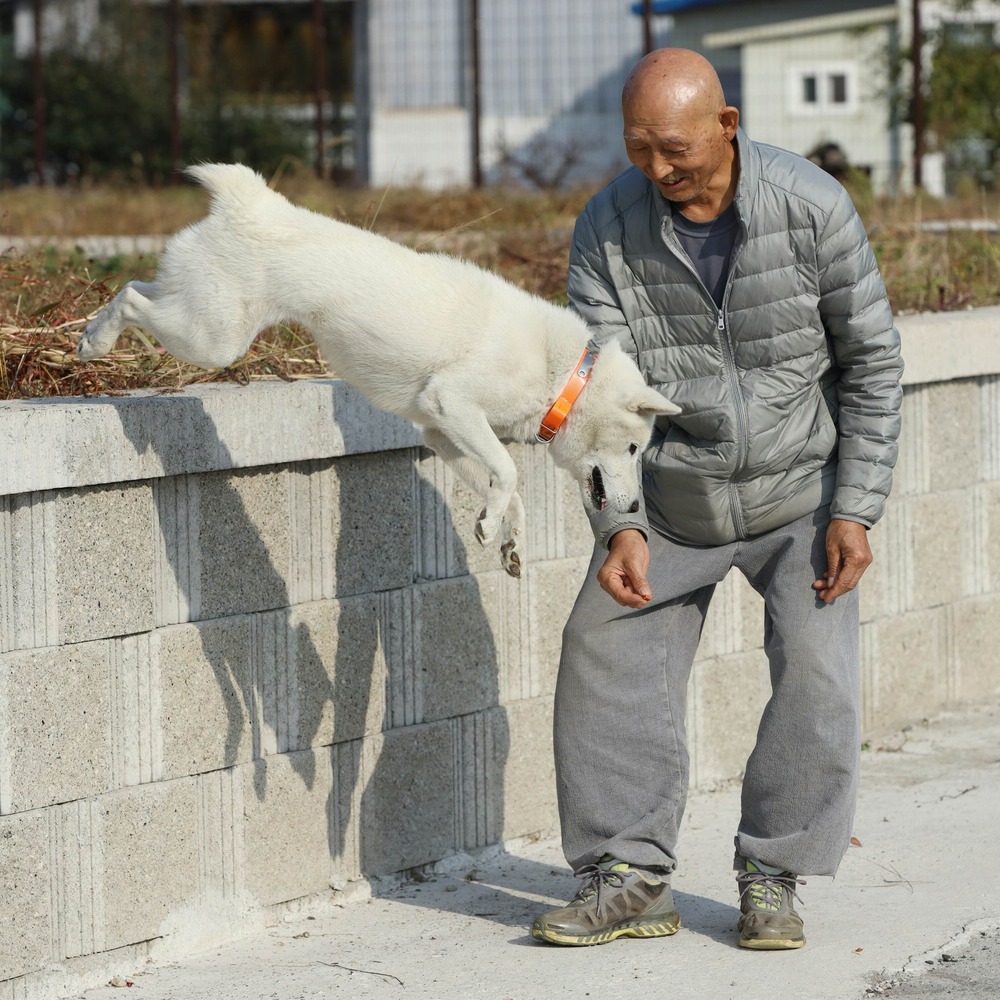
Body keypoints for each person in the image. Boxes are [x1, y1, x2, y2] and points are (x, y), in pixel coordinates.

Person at [531, 48, 903, 951]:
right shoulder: (607, 227)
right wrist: (620, 526)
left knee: (818, 678)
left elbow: (872, 362)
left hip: (799, 490)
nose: (657, 168)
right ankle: (627, 876)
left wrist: (854, 508)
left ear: (726, 126)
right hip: (673, 495)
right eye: (639, 148)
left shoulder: (811, 206)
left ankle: (773, 873)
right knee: (600, 647)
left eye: (675, 147)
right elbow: (601, 396)